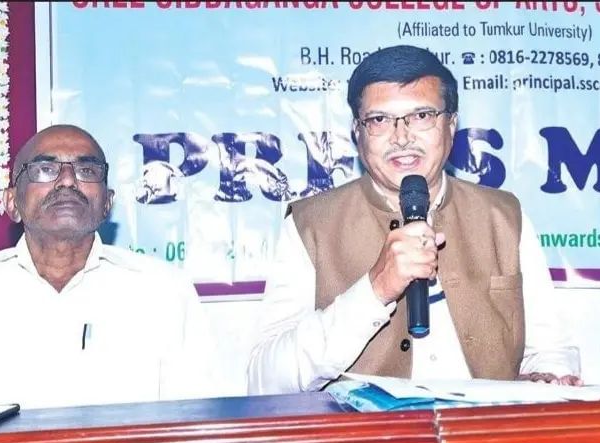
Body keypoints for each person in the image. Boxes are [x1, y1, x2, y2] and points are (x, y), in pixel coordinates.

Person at [247, 45, 580, 394]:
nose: (402, 137)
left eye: (421, 116)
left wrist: (547, 375)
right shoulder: (310, 224)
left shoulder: (504, 216)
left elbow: (550, 352)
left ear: (451, 124)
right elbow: (265, 382)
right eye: (379, 120)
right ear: (357, 132)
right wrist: (374, 290)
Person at [0, 125, 225, 412]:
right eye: (45, 169)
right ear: (12, 202)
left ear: (107, 203)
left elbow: (197, 422)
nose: (68, 181)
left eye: (87, 170)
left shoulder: (164, 292)